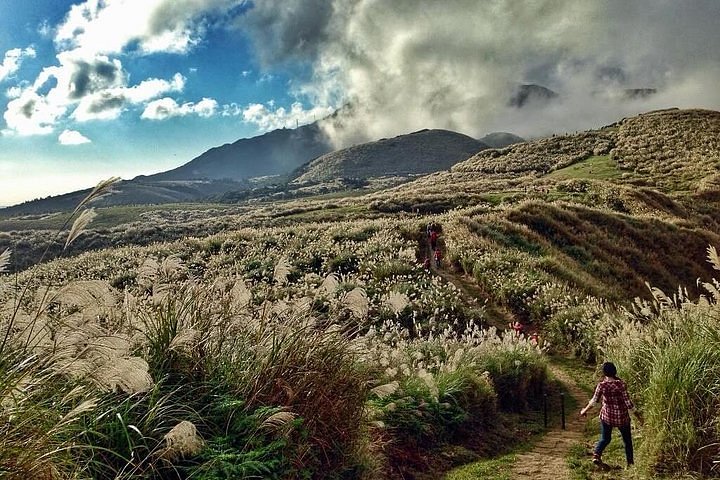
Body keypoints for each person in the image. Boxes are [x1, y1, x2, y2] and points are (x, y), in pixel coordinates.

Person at [580, 362, 637, 467]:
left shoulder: (602, 385)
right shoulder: (621, 384)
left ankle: (596, 454)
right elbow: (628, 403)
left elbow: (594, 401)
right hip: (622, 418)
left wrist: (585, 410)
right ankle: (630, 464)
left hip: (607, 417)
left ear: (604, 372)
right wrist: (639, 416)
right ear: (615, 371)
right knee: (627, 441)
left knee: (605, 438)